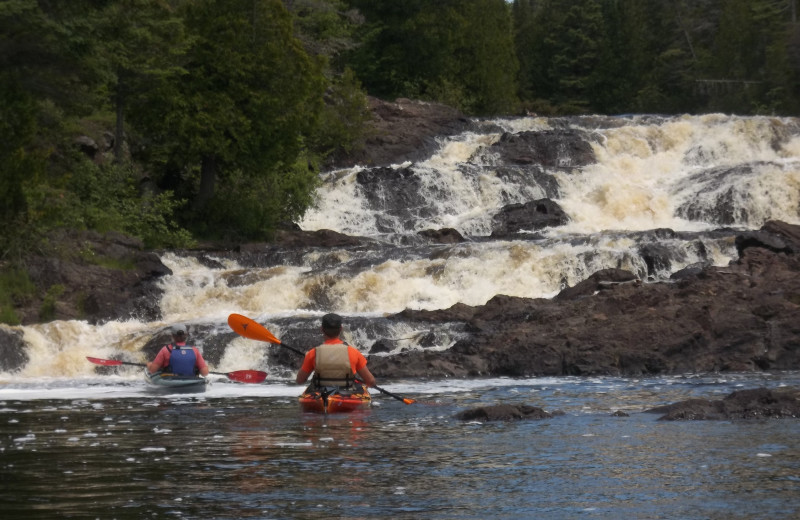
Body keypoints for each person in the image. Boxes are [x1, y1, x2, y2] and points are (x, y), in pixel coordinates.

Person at [296, 313, 376, 390]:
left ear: (322, 329)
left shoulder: (313, 353)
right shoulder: (354, 352)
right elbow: (371, 381)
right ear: (341, 329)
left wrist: (307, 359)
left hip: (322, 395)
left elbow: (300, 380)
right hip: (347, 394)